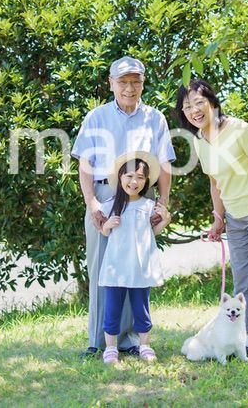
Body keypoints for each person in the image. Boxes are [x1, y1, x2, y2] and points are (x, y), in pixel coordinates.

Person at [175, 79, 248, 356]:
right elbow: (215, 182)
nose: (194, 110)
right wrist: (218, 218)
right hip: (235, 217)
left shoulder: (240, 129)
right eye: (187, 107)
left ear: (213, 103)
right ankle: (240, 332)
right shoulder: (200, 141)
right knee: (241, 279)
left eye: (198, 103)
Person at [71, 56, 175, 359]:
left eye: (136, 81)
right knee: (103, 269)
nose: (130, 88)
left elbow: (165, 165)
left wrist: (163, 203)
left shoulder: (155, 118)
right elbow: (85, 164)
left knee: (135, 266)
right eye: (123, 82)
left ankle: (131, 341)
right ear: (111, 83)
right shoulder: (96, 117)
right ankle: (99, 341)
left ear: (142, 83)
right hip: (104, 194)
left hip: (140, 198)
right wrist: (91, 203)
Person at [98, 152, 171, 364]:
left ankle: (144, 345)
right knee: (112, 307)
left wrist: (165, 221)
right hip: (116, 266)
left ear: (146, 181)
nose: (134, 182)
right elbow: (104, 232)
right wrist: (106, 226)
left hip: (140, 266)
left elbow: (152, 232)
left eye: (140, 177)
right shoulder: (110, 204)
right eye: (129, 176)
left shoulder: (148, 206)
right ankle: (110, 348)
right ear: (120, 178)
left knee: (141, 307)